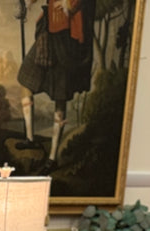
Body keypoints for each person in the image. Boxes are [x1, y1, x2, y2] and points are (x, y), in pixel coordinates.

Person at [17, 0, 93, 167]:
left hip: (67, 38)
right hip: (48, 29)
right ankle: (30, 139)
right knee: (26, 80)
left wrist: (69, 4)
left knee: (61, 95)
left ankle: (52, 158)